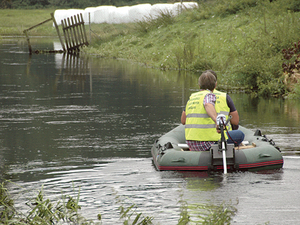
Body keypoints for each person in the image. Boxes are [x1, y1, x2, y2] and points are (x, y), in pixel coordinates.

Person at [181, 70, 244, 151]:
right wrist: (217, 121)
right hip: (208, 143)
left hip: (192, 143)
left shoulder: (192, 97)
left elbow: (183, 121)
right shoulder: (209, 95)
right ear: (215, 84)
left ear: (199, 84)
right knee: (240, 134)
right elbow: (208, 104)